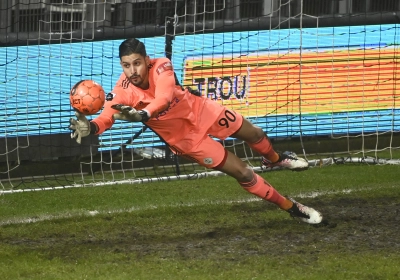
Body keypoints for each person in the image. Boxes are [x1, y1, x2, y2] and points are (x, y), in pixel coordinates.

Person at [69, 38, 323, 224]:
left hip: (201, 111)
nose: (132, 71)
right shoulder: (122, 89)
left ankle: (274, 159)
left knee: (255, 134)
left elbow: (164, 97)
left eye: (137, 63)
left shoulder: (162, 66)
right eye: (126, 65)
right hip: (186, 140)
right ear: (121, 66)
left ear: (147, 60)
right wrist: (91, 127)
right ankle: (292, 207)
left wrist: (144, 114)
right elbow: (107, 116)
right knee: (243, 173)